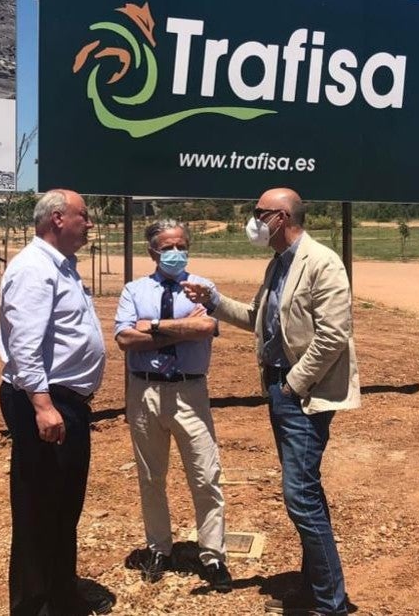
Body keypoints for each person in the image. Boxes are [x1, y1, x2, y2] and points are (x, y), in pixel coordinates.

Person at [184, 188, 360, 616]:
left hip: (304, 393)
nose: (253, 220)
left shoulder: (322, 262)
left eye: (259, 213)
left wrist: (294, 384)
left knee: (300, 494)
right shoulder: (278, 264)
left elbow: (334, 334)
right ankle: (315, 584)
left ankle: (332, 603)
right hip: (281, 389)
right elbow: (259, 321)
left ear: (281, 218)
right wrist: (214, 301)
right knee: (304, 490)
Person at [0, 189, 112, 616]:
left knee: (63, 506)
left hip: (67, 402)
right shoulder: (33, 269)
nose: (90, 223)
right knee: (38, 507)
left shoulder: (60, 266)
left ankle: (62, 596)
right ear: (58, 219)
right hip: (45, 402)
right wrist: (43, 406)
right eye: (84, 216)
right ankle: (36, 605)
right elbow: (24, 346)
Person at [114, 219, 233, 592]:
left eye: (181, 245)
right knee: (151, 477)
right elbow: (124, 338)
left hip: (189, 392)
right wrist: (179, 327)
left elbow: (206, 328)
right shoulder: (133, 290)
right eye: (168, 247)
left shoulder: (202, 289)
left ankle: (212, 556)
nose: (176, 252)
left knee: (205, 476)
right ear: (153, 252)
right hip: (145, 392)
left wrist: (152, 326)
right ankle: (159, 549)